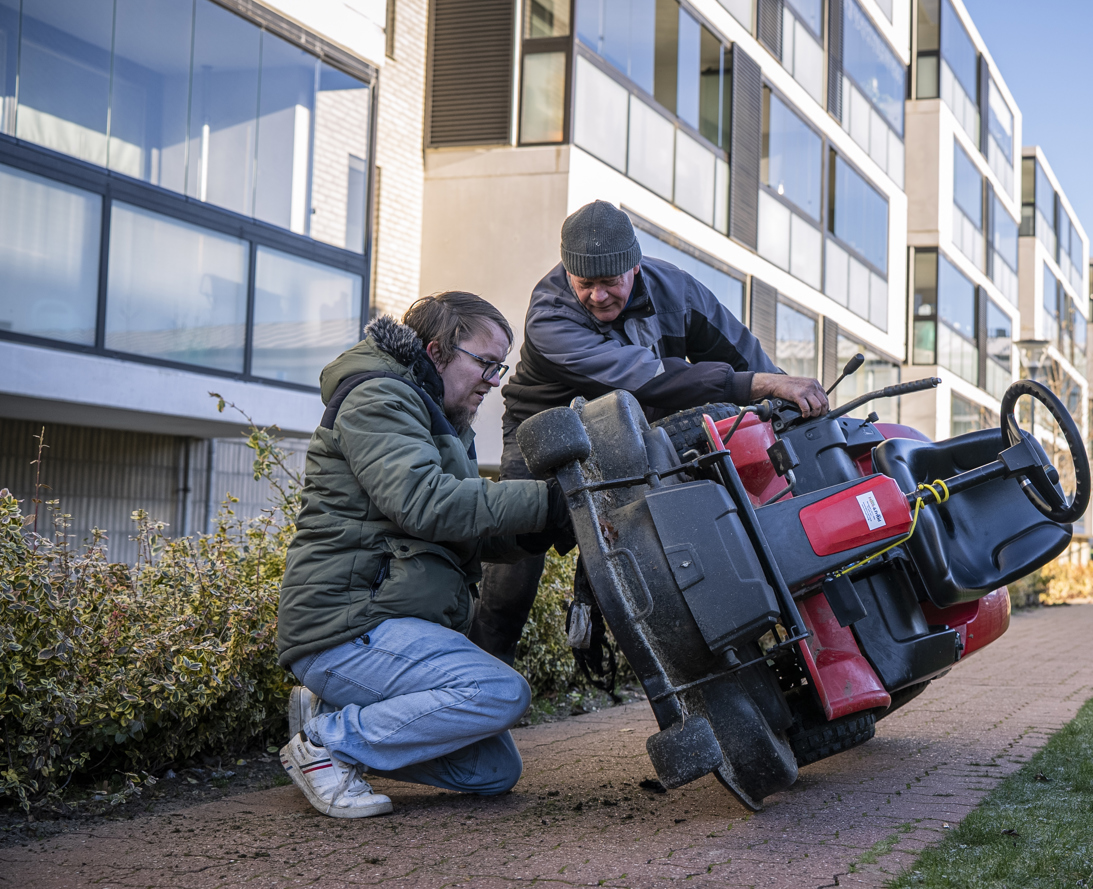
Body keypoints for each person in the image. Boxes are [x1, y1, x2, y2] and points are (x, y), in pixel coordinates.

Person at [467, 200, 827, 662]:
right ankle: (483, 676)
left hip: (635, 425)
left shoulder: (674, 289)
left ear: (634, 267)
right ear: (567, 273)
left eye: (609, 282)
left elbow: (740, 350)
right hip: (545, 432)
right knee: (519, 555)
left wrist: (785, 395)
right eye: (585, 284)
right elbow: (645, 376)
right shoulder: (549, 314)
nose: (598, 296)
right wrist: (755, 385)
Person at [275, 291, 567, 819]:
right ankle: (327, 745)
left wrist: (542, 531)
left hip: (386, 624)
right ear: (436, 352)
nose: (494, 380)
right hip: (346, 624)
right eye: (485, 363)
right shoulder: (378, 397)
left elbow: (461, 529)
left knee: (493, 772)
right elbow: (425, 502)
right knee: (499, 691)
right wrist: (545, 503)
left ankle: (331, 713)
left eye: (501, 367)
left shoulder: (442, 418)